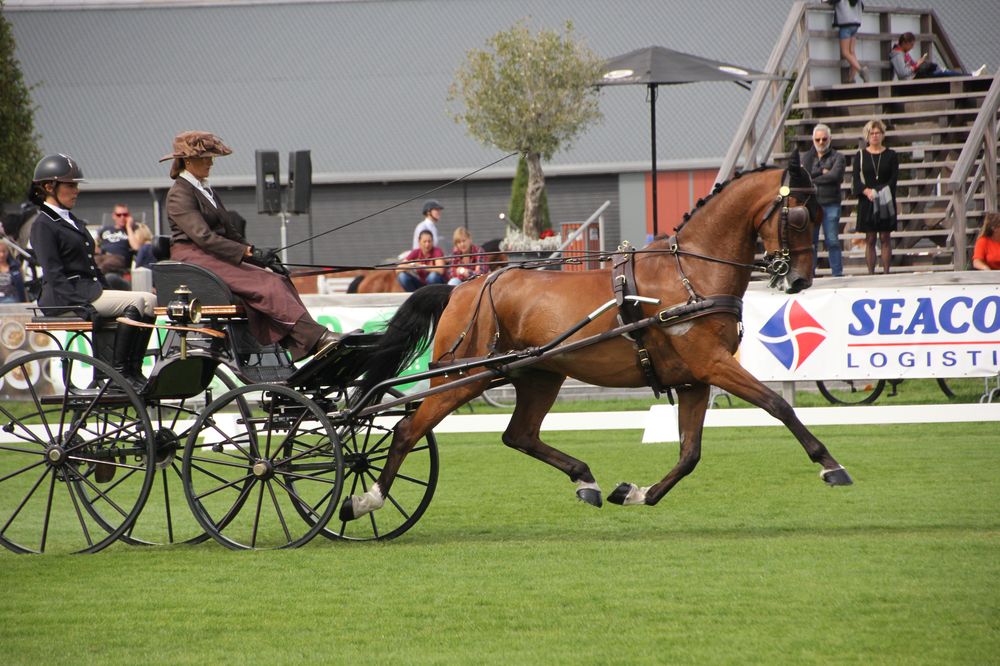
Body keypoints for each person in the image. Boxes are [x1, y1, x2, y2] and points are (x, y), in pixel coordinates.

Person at [161, 130, 338, 362]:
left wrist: (259, 256)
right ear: (187, 160)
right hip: (195, 257)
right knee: (267, 283)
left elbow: (231, 233)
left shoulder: (205, 189)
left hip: (214, 254)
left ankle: (305, 342)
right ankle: (317, 338)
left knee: (280, 278)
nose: (211, 162)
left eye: (211, 157)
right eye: (205, 157)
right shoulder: (180, 193)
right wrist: (246, 253)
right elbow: (203, 237)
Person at [28, 154, 157, 387]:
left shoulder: (72, 221)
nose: (76, 190)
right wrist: (80, 302)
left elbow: (92, 266)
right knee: (138, 302)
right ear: (49, 187)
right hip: (64, 297)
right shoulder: (43, 225)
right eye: (70, 185)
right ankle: (118, 373)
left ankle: (132, 369)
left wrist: (104, 290)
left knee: (149, 300)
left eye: (76, 185)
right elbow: (53, 273)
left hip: (88, 290)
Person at [852, 119, 899, 275]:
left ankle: (886, 272)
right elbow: (856, 181)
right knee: (870, 238)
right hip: (868, 200)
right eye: (871, 133)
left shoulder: (891, 154)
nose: (874, 136)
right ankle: (870, 273)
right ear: (867, 136)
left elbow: (893, 179)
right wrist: (867, 191)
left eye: (877, 133)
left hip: (885, 200)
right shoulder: (860, 155)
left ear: (883, 135)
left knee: (885, 237)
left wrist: (879, 192)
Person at [800, 123, 845, 277]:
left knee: (832, 241)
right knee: (811, 242)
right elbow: (804, 177)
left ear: (830, 139)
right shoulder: (807, 157)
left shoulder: (838, 157)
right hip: (811, 205)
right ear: (813, 140)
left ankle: (837, 274)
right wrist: (821, 171)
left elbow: (835, 176)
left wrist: (814, 177)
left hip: (831, 202)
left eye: (824, 139)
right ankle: (809, 274)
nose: (821, 142)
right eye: (818, 139)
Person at [889, 32, 966, 80]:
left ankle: (967, 76)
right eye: (911, 45)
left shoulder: (903, 52)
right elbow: (902, 73)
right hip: (911, 78)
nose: (912, 47)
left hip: (914, 76)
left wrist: (918, 63)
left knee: (936, 69)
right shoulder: (897, 55)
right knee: (939, 73)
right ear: (904, 43)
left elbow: (909, 66)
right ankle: (967, 76)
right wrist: (917, 65)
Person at [94, 203, 142, 277]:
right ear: (114, 216)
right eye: (119, 215)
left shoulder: (133, 230)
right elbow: (96, 244)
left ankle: (99, 283)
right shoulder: (105, 230)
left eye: (125, 215)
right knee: (91, 263)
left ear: (129, 216)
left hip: (118, 258)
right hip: (102, 256)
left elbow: (136, 247)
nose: (122, 217)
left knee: (105, 265)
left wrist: (128, 227)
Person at [829, 0, 867, 83]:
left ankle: (861, 71)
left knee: (845, 52)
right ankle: (851, 79)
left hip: (845, 23)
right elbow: (862, 6)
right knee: (851, 51)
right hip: (856, 23)